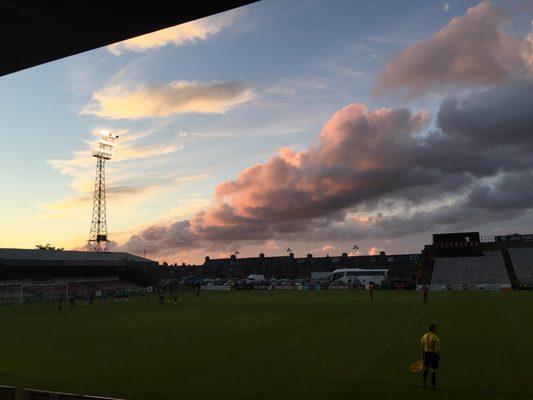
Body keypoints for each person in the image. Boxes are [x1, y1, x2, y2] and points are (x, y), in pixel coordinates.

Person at [420, 324, 441, 389]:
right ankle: (433, 385)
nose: (436, 330)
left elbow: (422, 345)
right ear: (432, 329)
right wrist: (439, 355)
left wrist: (422, 354)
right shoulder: (435, 337)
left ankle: (423, 383)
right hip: (433, 354)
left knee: (426, 368)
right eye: (435, 329)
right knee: (433, 369)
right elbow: (438, 347)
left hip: (426, 353)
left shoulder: (425, 335)